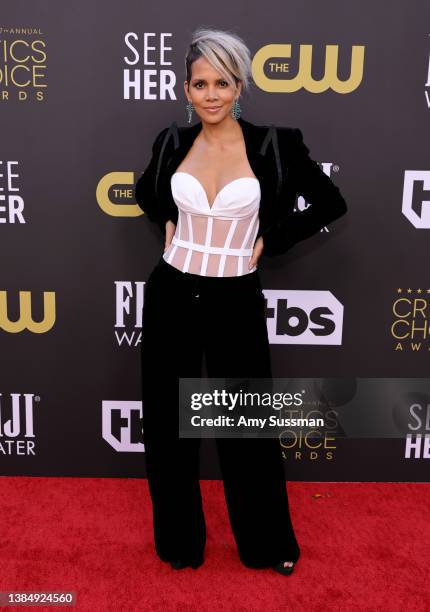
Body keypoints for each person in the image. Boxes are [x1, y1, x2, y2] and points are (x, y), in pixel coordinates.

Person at [135, 27, 348, 575]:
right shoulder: (171, 143)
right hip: (171, 291)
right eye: (200, 83)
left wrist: (271, 239)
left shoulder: (274, 143)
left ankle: (266, 544)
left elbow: (329, 201)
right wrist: (164, 218)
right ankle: (179, 545)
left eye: (222, 83)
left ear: (239, 87)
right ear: (186, 88)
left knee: (246, 427)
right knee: (167, 425)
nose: (210, 95)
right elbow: (145, 190)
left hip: (234, 296)